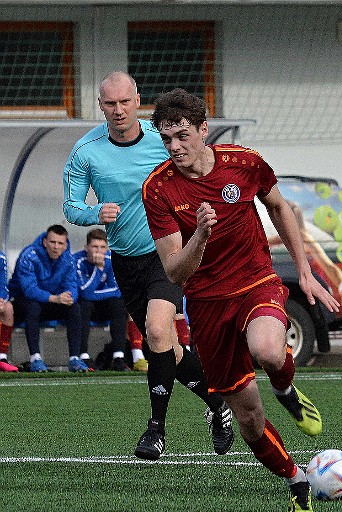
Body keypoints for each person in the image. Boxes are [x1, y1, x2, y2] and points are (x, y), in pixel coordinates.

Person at [143, 88, 339, 512]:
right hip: (207, 303)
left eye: (182, 136)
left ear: (202, 130)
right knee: (248, 417)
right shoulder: (158, 190)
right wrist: (200, 236)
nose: (175, 147)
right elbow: (176, 271)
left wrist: (305, 271)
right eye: (166, 139)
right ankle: (297, 481)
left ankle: (286, 388)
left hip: (255, 281)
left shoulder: (243, 162)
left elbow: (279, 207)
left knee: (268, 349)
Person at [62, 71, 233, 460]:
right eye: (110, 104)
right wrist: (94, 212)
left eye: (125, 102)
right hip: (126, 260)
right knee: (165, 346)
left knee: (158, 330)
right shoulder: (86, 151)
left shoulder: (162, 140)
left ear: (137, 100)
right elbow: (71, 206)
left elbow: (197, 170)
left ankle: (156, 429)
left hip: (169, 253)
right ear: (100, 106)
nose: (119, 110)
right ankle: (218, 402)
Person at [9, 225, 86, 372]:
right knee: (33, 306)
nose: (56, 247)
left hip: (51, 301)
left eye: (60, 243)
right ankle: (35, 358)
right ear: (45, 242)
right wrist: (55, 298)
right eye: (52, 242)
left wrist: (70, 297)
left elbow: (72, 285)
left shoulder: (68, 259)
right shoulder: (29, 256)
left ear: (66, 245)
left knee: (75, 307)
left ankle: (75, 359)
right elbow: (29, 290)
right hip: (22, 302)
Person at [73, 228, 129, 371]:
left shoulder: (111, 259)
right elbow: (84, 293)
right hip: (87, 307)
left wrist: (94, 292)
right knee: (83, 305)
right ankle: (83, 355)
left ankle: (118, 357)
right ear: (87, 248)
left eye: (103, 247)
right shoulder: (78, 261)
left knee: (119, 305)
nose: (99, 251)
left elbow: (117, 291)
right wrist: (98, 270)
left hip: (104, 306)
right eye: (94, 247)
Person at [0, 251, 17, 372]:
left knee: (8, 308)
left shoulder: (0, 257)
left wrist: (1, 300)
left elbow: (2, 285)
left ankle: (2, 357)